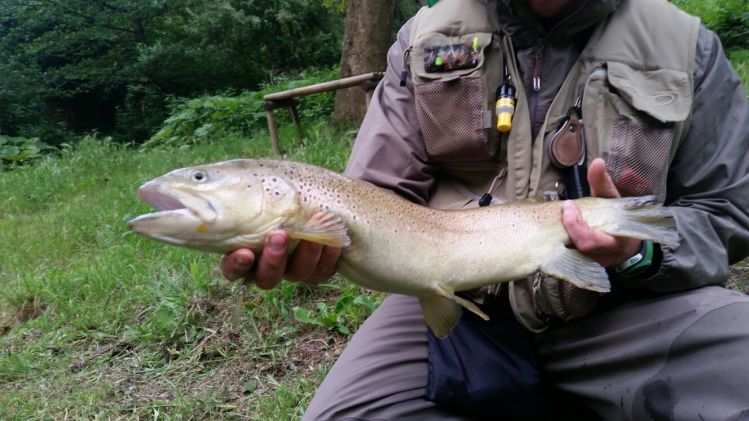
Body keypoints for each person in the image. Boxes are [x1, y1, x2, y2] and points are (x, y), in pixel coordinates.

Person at [223, 0, 749, 418]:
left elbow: (728, 211)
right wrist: (320, 244)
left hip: (627, 305)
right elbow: (374, 196)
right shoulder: (423, 39)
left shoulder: (688, 48)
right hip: (453, 306)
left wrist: (639, 253)